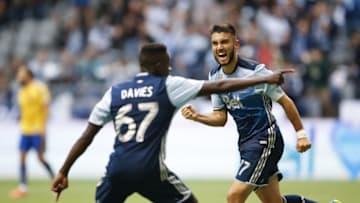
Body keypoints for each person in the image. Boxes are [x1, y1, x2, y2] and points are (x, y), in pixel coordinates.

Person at [51, 43, 292, 203]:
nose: (169, 68)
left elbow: (87, 135)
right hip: (150, 169)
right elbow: (219, 85)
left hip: (117, 170)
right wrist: (265, 78)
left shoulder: (115, 92)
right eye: (167, 64)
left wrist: (63, 171)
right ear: (157, 66)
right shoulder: (167, 85)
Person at [181, 23, 316, 203]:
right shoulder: (214, 77)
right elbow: (220, 117)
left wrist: (301, 134)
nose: (219, 47)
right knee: (274, 202)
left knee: (234, 196)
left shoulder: (255, 72)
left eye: (224, 42)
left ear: (235, 44)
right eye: (215, 43)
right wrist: (197, 117)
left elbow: (286, 101)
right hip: (246, 143)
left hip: (265, 138)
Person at [10, 65, 55, 198]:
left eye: (20, 73)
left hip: (37, 130)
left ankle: (55, 179)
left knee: (40, 158)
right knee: (22, 157)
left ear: (28, 75)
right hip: (25, 130)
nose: (18, 76)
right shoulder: (21, 91)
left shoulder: (39, 88)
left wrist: (44, 128)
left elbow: (46, 106)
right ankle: (23, 187)